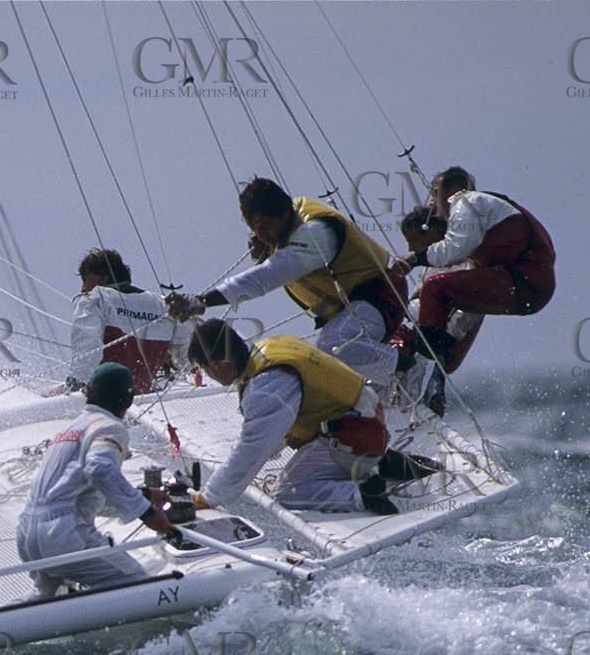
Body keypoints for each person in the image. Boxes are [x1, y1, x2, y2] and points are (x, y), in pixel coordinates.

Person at [166, 177, 406, 389]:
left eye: (265, 226)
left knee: (333, 346)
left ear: (283, 212)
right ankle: (389, 381)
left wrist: (204, 300)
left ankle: (408, 368)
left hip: (380, 295)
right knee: (331, 356)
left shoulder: (315, 232)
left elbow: (268, 276)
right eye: (254, 229)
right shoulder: (287, 227)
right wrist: (270, 244)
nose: (261, 235)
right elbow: (276, 256)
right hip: (353, 307)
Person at [183, 320, 403, 516]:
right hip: (363, 422)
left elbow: (253, 449)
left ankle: (364, 493)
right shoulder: (270, 348)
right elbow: (273, 432)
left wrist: (210, 497)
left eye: (204, 369)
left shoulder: (267, 385)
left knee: (285, 493)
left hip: (353, 434)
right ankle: (379, 463)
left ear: (215, 363)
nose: (208, 375)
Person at [17, 362, 175, 596]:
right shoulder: (109, 427)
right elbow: (100, 470)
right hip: (63, 534)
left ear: (88, 393)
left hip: (27, 534)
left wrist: (144, 494)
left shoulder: (68, 430)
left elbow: (78, 492)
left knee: (44, 598)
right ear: (128, 401)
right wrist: (147, 513)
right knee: (135, 582)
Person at [391, 166, 554, 373]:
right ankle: (431, 367)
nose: (432, 204)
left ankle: (424, 368)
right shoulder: (485, 221)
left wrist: (413, 260)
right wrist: (444, 340)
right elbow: (467, 298)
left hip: (523, 282)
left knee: (435, 288)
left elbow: (455, 249)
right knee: (439, 292)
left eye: (435, 194)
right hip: (530, 291)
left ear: (455, 190)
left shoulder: (467, 201)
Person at [390, 205, 484, 415]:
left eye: (413, 240)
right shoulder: (433, 264)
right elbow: (415, 301)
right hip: (417, 340)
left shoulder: (462, 263)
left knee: (425, 406)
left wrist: (447, 342)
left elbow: (467, 311)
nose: (411, 248)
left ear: (432, 232)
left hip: (435, 345)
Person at [70, 248, 190, 393]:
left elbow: (87, 345)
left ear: (102, 278)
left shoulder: (94, 299)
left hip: (103, 396)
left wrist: (77, 383)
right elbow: (187, 354)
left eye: (85, 279)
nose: (83, 287)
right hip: (141, 398)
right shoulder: (165, 305)